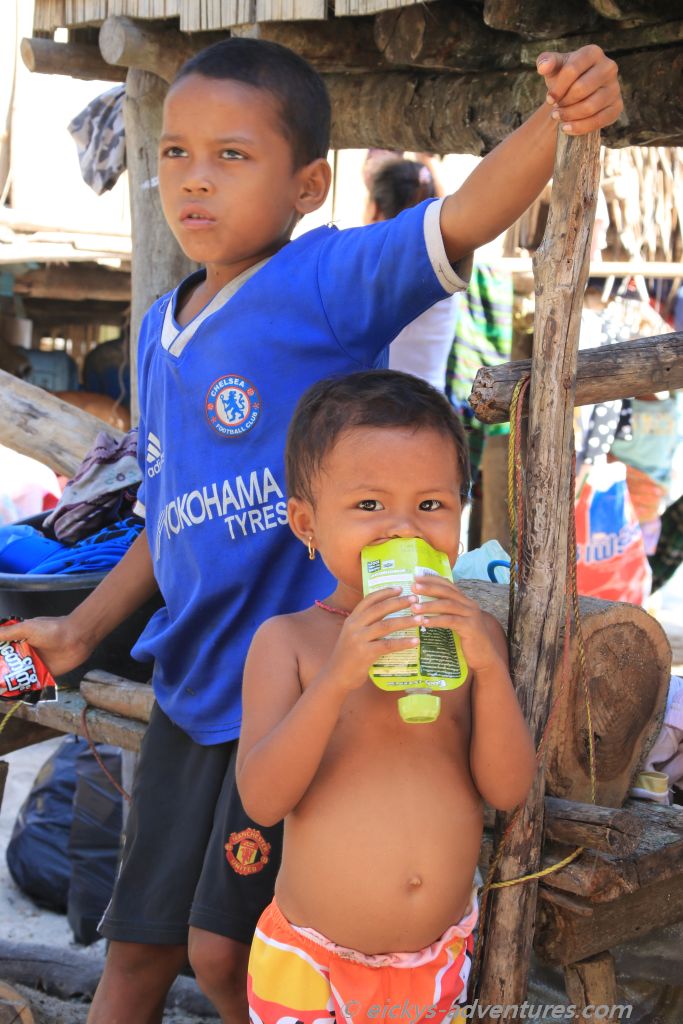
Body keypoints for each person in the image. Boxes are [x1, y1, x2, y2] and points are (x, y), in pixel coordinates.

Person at [0, 36, 622, 1024]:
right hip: (194, 681)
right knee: (138, 951)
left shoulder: (324, 281)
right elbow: (170, 516)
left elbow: (460, 217)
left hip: (306, 689)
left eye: (231, 155)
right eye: (175, 152)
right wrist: (81, 629)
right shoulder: (159, 332)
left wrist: (560, 117)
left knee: (229, 953)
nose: (194, 178)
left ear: (308, 185)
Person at [237, 369, 537, 1022]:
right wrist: (337, 677)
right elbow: (261, 799)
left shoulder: (475, 637)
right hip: (314, 968)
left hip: (438, 963)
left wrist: (487, 666)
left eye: (430, 506)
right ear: (306, 522)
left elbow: (508, 789)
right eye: (369, 505)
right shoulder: (289, 643)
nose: (403, 528)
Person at [364, 157, 459, 390]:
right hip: (432, 401)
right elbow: (450, 217)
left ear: (375, 209)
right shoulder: (446, 262)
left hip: (382, 402)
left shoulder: (370, 269)